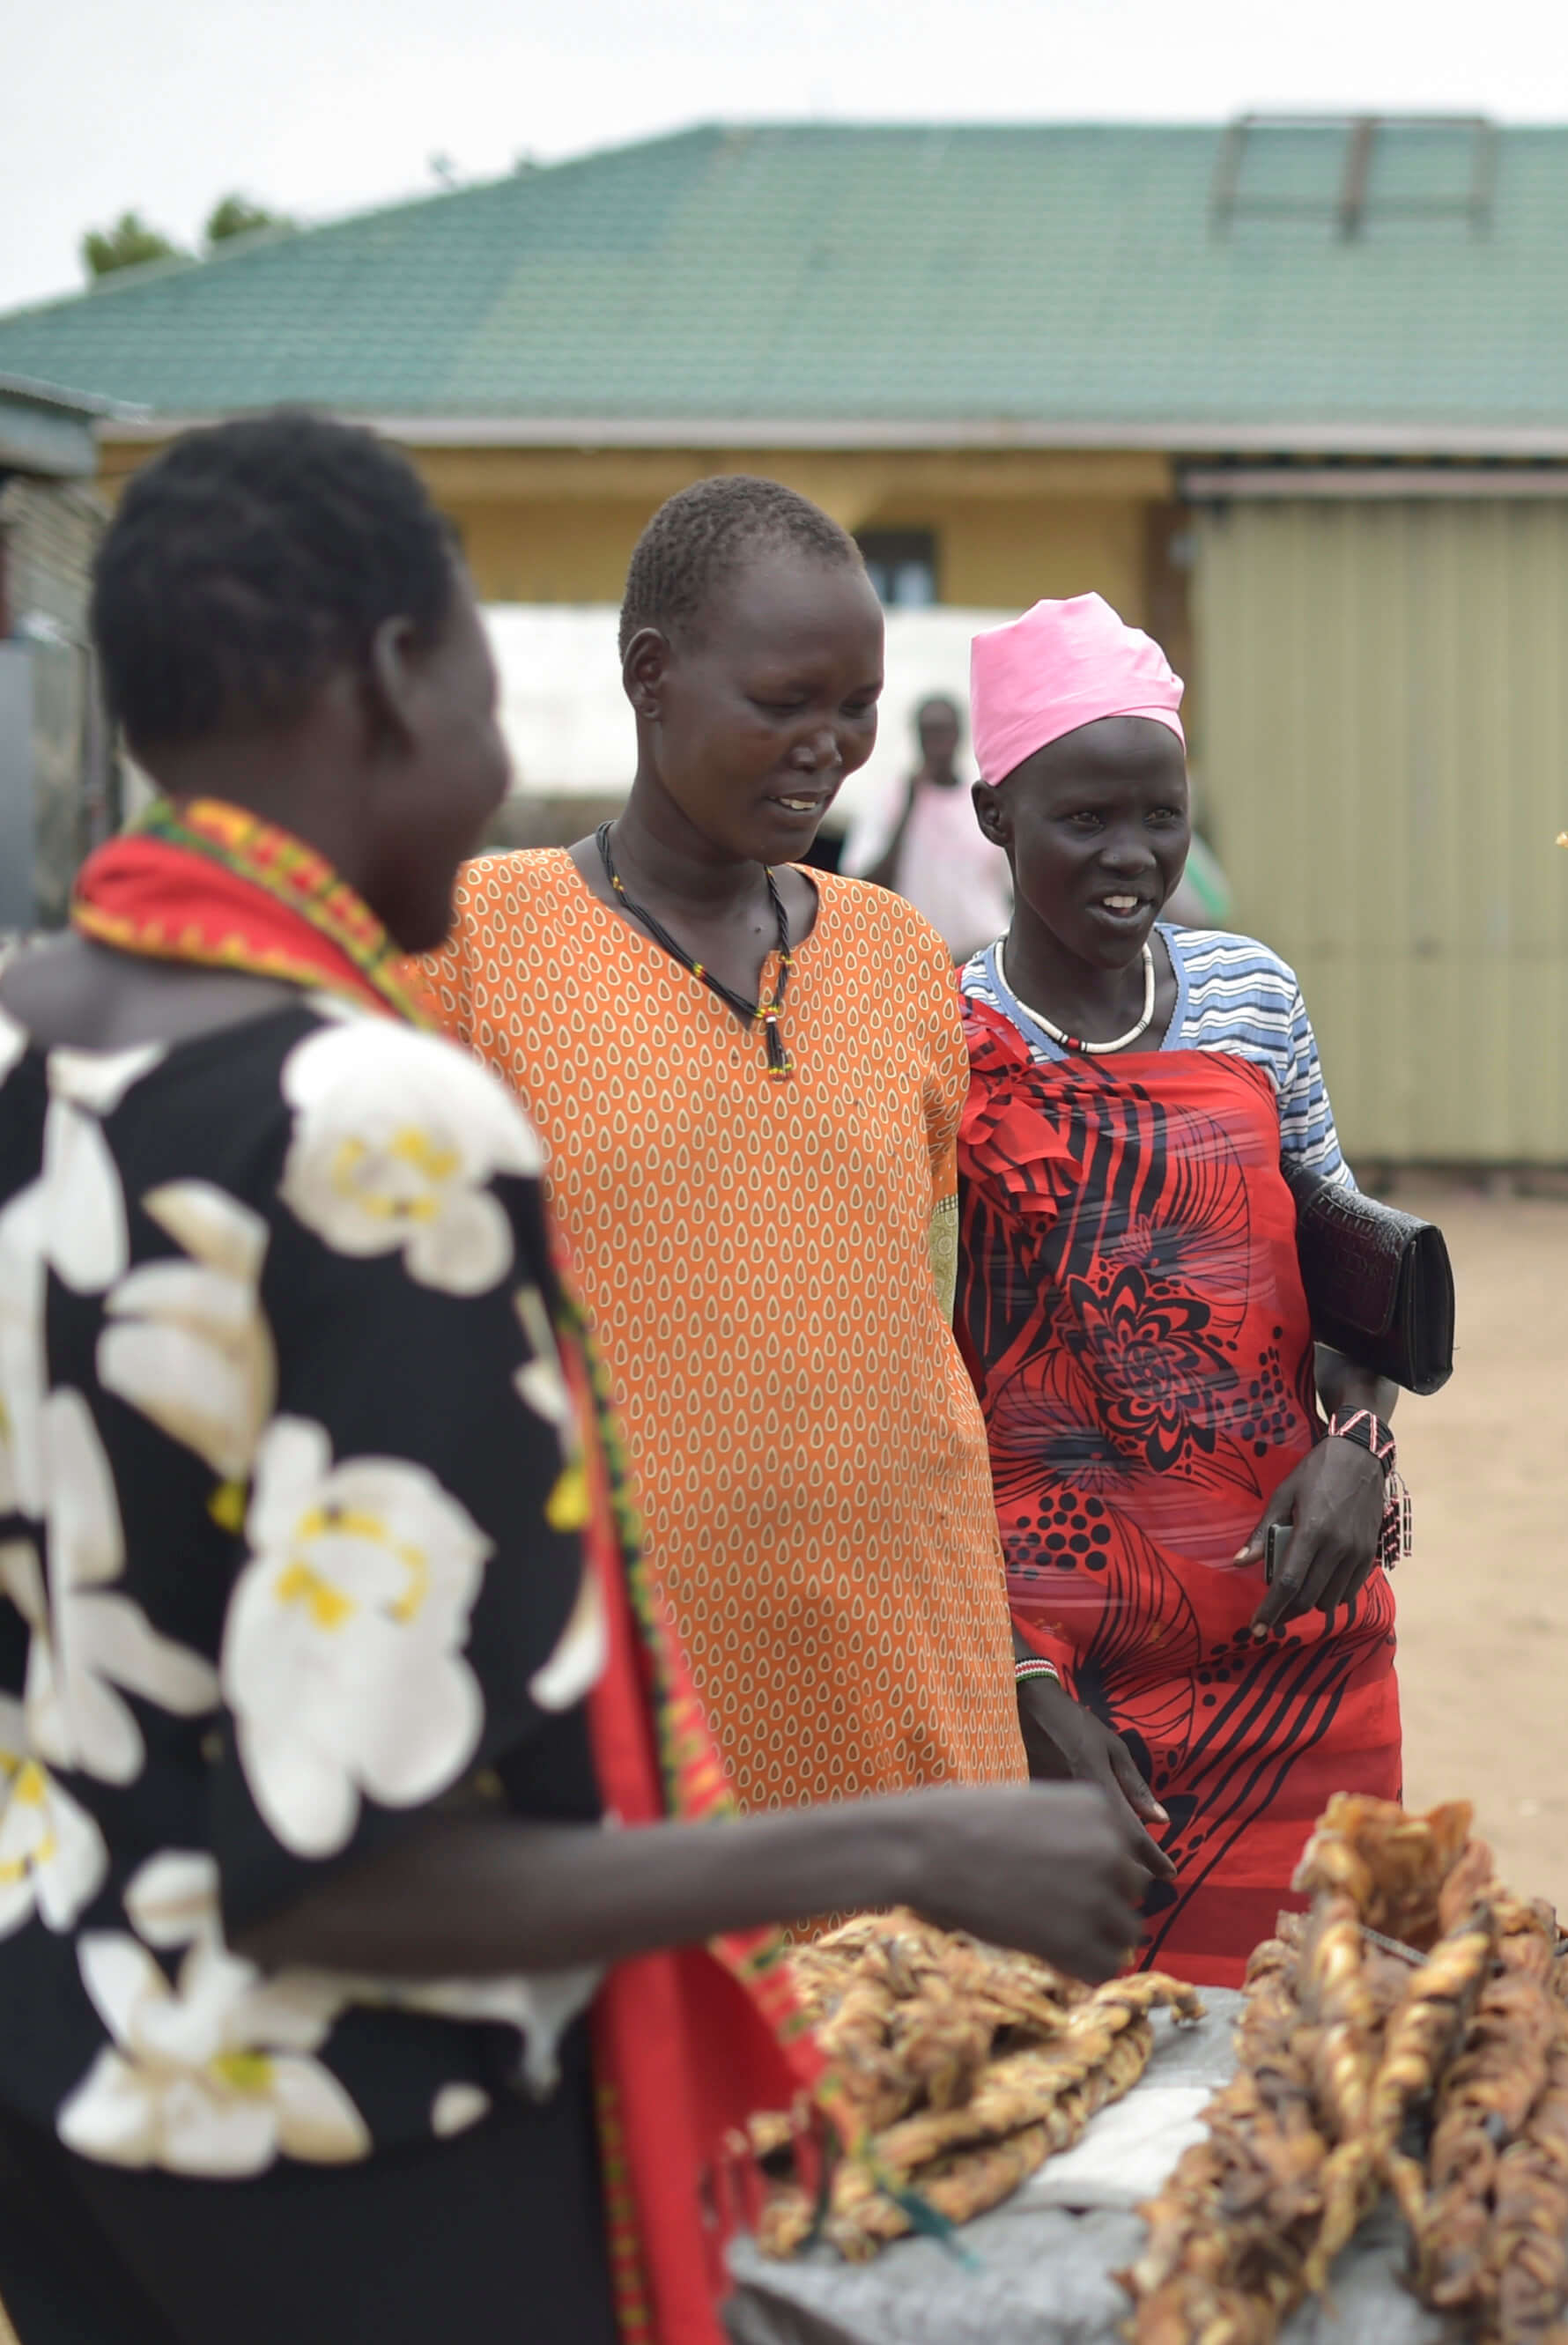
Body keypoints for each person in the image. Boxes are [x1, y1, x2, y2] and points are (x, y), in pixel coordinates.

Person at [0, 413, 1152, 2345]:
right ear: (394, 675)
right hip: (328, 2140)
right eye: (472, 647)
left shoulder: (50, 1055)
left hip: (73, 2069)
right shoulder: (375, 1121)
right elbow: (342, 1852)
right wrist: (901, 1838)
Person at [407, 477, 1027, 1815]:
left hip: (912, 1671)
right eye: (784, 702)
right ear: (652, 676)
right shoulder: (477, 946)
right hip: (632, 1691)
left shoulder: (896, 953)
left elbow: (919, 1287)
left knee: (927, 2011)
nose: (831, 745)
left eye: (855, 706)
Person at [953, 593, 1407, 1985]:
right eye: (1083, 819)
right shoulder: (936, 1038)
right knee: (1072, 2053)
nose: (1133, 855)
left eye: (1162, 814)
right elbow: (922, 1370)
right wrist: (1021, 1683)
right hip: (1054, 1663)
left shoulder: (1250, 997)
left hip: (1292, 1624)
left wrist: (1360, 1450)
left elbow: (1349, 1281)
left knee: (1311, 2034)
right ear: (994, 816)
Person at [843, 692, 1013, 960]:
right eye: (929, 733)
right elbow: (864, 887)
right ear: (917, 737)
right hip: (915, 957)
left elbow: (1010, 887)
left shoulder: (985, 802)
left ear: (959, 735)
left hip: (984, 954)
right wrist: (909, 809)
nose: (938, 744)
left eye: (944, 732)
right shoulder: (891, 799)